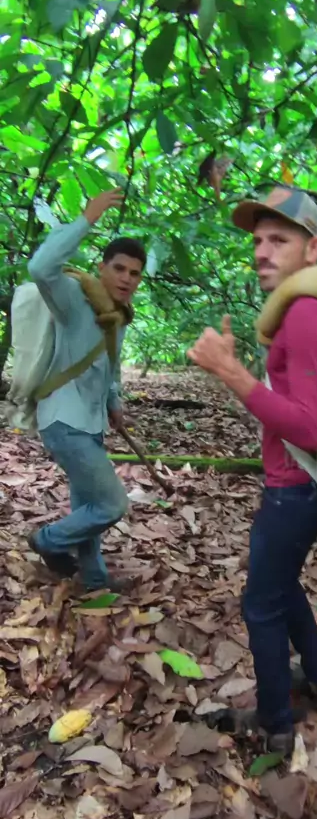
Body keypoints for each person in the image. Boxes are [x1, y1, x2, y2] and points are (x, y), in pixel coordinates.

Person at [188, 186, 317, 754]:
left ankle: (276, 724)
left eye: (279, 239)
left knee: (260, 604)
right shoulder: (308, 307)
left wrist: (230, 371)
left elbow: (307, 428)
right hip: (304, 483)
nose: (261, 251)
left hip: (297, 488)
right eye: (258, 240)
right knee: (282, 583)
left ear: (314, 249)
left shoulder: (305, 313)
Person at [27, 188, 146, 592]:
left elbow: (111, 367)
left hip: (90, 424)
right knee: (111, 504)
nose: (126, 278)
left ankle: (94, 580)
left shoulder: (117, 317)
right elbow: (40, 267)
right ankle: (47, 541)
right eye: (119, 268)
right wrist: (87, 219)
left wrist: (114, 402)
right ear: (102, 267)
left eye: (134, 273)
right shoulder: (74, 298)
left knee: (89, 505)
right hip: (63, 421)